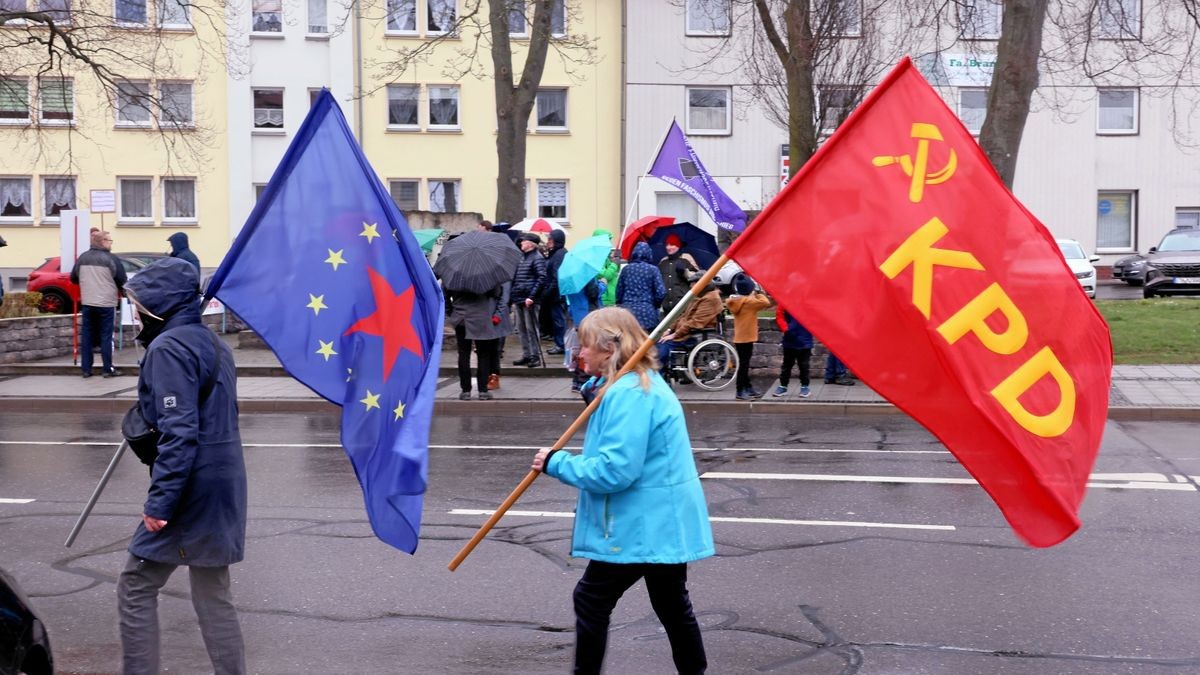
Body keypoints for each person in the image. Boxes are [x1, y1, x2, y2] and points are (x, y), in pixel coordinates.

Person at [531, 307, 713, 675]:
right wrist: (594, 390)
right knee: (672, 604)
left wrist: (557, 463)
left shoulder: (630, 394)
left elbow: (615, 471)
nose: (579, 353)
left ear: (610, 348)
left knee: (592, 599)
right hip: (660, 519)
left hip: (642, 523)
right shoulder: (633, 384)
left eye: (585, 346)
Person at [118, 257, 247, 675]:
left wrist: (161, 502)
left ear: (158, 304)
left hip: (191, 486)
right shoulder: (212, 343)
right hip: (224, 481)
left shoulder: (169, 347)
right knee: (212, 591)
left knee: (136, 584)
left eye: (138, 305)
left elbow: (180, 431)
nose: (134, 314)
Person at [70, 229, 127, 378]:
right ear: (102, 242)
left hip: (88, 302)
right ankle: (107, 369)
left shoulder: (82, 258)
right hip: (106, 303)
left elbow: (74, 278)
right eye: (109, 240)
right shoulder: (111, 259)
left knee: (87, 335)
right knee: (106, 336)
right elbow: (121, 279)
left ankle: (86, 370)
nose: (111, 243)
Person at [656, 272, 723, 378]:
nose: (691, 286)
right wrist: (669, 330)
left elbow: (696, 323)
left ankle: (660, 376)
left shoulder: (710, 298)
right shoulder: (699, 295)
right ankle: (666, 373)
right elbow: (682, 316)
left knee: (663, 346)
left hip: (695, 334)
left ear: (702, 284)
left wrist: (674, 335)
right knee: (659, 340)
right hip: (686, 331)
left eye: (693, 283)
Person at [445, 284, 501, 400]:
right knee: (483, 354)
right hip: (481, 318)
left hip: (461, 318)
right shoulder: (486, 273)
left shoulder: (454, 273)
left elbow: (445, 296)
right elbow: (496, 293)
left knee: (463, 353)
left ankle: (465, 391)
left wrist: (451, 313)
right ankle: (483, 390)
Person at [726, 274, 773, 400]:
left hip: (739, 337)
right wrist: (757, 292)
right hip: (747, 338)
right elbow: (766, 302)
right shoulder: (750, 302)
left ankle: (748, 387)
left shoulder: (735, 301)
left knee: (743, 363)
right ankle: (740, 391)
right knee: (744, 365)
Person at [510, 233, 548, 367]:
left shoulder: (537, 258)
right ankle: (526, 354)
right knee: (521, 329)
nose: (521, 243)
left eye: (524, 241)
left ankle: (535, 355)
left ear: (531, 244)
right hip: (519, 298)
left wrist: (532, 297)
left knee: (531, 329)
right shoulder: (522, 258)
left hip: (529, 300)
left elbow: (541, 278)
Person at [615, 241, 666, 332]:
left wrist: (620, 304)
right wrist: (654, 305)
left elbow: (618, 292)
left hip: (627, 313)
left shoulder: (626, 269)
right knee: (646, 343)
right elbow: (661, 292)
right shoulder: (653, 270)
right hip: (647, 313)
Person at [774, 310, 814, 398]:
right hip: (790, 340)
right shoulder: (785, 301)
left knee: (804, 366)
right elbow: (779, 315)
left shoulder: (807, 301)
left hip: (804, 339)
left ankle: (805, 387)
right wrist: (785, 329)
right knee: (787, 366)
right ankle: (783, 386)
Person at [657, 234, 698, 315]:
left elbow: (697, 277)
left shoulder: (686, 259)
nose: (668, 247)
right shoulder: (663, 262)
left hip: (682, 306)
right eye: (667, 244)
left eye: (672, 244)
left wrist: (685, 272)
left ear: (678, 246)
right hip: (666, 306)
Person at [543, 229, 569, 355]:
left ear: (556, 241)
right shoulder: (557, 253)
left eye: (550, 240)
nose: (547, 242)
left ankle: (561, 345)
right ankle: (560, 344)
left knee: (559, 321)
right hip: (556, 294)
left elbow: (556, 276)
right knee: (558, 320)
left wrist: (547, 293)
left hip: (556, 295)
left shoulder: (559, 255)